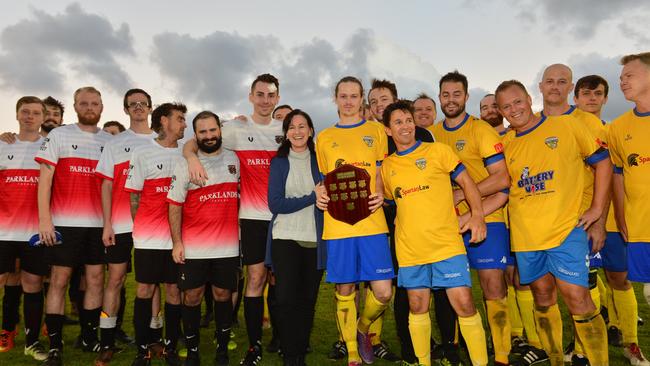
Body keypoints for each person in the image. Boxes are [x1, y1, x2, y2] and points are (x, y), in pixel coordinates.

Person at [496, 80, 611, 366]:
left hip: (565, 230)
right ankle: (556, 359)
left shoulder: (564, 126)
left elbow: (604, 163)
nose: (514, 109)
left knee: (577, 297)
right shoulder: (507, 143)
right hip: (526, 236)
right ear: (500, 111)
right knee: (542, 297)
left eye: (518, 101)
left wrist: (597, 209)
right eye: (506, 106)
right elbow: (504, 187)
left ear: (529, 99)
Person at [184, 73, 283, 366]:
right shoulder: (236, 129)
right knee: (254, 279)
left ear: (278, 98)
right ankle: (254, 346)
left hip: (284, 218)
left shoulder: (285, 129)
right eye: (260, 94)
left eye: (271, 95)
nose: (265, 100)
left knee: (282, 281)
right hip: (253, 218)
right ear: (251, 96)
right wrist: (191, 159)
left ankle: (283, 337)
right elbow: (195, 141)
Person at [381, 99, 489, 366]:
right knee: (417, 307)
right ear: (387, 130)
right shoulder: (386, 168)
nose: (405, 126)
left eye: (408, 120)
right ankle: (423, 362)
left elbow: (466, 182)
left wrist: (477, 215)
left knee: (464, 304)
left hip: (446, 244)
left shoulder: (438, 151)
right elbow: (387, 201)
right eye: (398, 122)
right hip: (410, 249)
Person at [431, 71, 511, 366]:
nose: (450, 100)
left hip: (487, 216)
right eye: (445, 95)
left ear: (465, 96)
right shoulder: (433, 135)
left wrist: (463, 195)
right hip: (449, 225)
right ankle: (455, 349)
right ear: (440, 97)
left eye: (456, 94)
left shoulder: (482, 131)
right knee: (454, 288)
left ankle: (501, 355)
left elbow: (502, 178)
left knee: (492, 287)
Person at [315, 76, 393, 366]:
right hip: (338, 224)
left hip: (373, 222)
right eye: (343, 96)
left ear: (362, 99)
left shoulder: (377, 131)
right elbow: (322, 179)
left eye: (354, 96)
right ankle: (351, 353)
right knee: (345, 290)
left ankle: (362, 330)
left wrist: (382, 193)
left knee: (383, 291)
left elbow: (384, 171)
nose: (348, 101)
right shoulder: (323, 137)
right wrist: (319, 192)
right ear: (335, 99)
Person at [35, 87, 113, 365]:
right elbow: (45, 180)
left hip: (98, 225)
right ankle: (55, 345)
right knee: (58, 281)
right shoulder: (59, 135)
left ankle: (89, 337)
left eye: (94, 103)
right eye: (84, 103)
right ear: (76, 106)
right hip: (64, 223)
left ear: (102, 106)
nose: (89, 107)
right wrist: (45, 219)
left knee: (94, 280)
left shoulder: (109, 140)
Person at [538, 64, 609, 365]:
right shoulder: (531, 123)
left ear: (570, 89)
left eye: (562, 82)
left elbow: (603, 171)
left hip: (578, 224)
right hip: (539, 227)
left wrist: (598, 219)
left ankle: (585, 353)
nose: (555, 86)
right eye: (550, 81)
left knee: (580, 294)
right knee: (545, 293)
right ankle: (563, 353)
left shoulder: (588, 123)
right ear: (540, 86)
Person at [574, 74, 643, 353]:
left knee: (620, 279)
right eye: (586, 93)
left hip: (610, 219)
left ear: (605, 98)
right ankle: (584, 343)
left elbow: (619, 177)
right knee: (582, 281)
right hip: (575, 217)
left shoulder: (613, 131)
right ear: (575, 98)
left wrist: (622, 218)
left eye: (598, 94)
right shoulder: (564, 127)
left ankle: (631, 343)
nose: (592, 98)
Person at [479, 93, 548, 365]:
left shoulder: (515, 136)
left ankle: (537, 341)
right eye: (483, 107)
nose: (489, 111)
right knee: (505, 279)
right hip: (499, 220)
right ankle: (514, 336)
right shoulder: (495, 141)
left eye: (493, 105)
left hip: (521, 218)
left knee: (523, 279)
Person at [167, 111, 240, 366]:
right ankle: (193, 350)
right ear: (195, 135)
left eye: (212, 130)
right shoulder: (184, 163)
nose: (209, 136)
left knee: (222, 295)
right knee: (192, 297)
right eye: (202, 132)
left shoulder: (234, 158)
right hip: (194, 248)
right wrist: (177, 242)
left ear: (220, 130)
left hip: (228, 247)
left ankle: (222, 349)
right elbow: (174, 204)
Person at [94, 89, 158, 365]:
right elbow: (106, 184)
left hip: (154, 225)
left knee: (153, 282)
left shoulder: (163, 140)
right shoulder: (115, 143)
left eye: (143, 103)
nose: (138, 108)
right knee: (116, 280)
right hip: (120, 223)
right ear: (126, 110)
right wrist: (107, 223)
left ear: (151, 108)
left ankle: (155, 337)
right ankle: (106, 341)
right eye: (133, 105)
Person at [125, 102, 187, 366]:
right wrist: (141, 227)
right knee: (145, 289)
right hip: (148, 238)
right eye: (180, 118)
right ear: (164, 121)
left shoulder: (187, 153)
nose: (185, 123)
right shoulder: (142, 153)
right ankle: (144, 349)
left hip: (178, 240)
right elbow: (134, 198)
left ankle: (171, 346)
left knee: (174, 291)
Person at [265, 109, 325, 366]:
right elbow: (275, 203)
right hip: (285, 237)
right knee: (286, 299)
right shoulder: (278, 163)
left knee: (307, 301)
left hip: (314, 238)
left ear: (311, 130)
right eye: (292, 127)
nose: (297, 131)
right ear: (286, 133)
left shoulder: (320, 160)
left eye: (303, 126)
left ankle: (300, 351)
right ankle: (290, 356)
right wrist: (312, 197)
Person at [608, 52, 650, 366]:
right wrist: (621, 217)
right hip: (641, 227)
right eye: (621, 77)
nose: (622, 81)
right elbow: (617, 176)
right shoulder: (617, 128)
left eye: (630, 75)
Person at [0, 97, 49, 361]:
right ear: (17, 115)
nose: (30, 116)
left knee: (32, 284)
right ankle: (6, 329)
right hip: (3, 231)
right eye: (25, 112)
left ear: (43, 117)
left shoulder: (50, 147)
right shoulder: (2, 143)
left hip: (35, 231)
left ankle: (32, 342)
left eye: (35, 113)